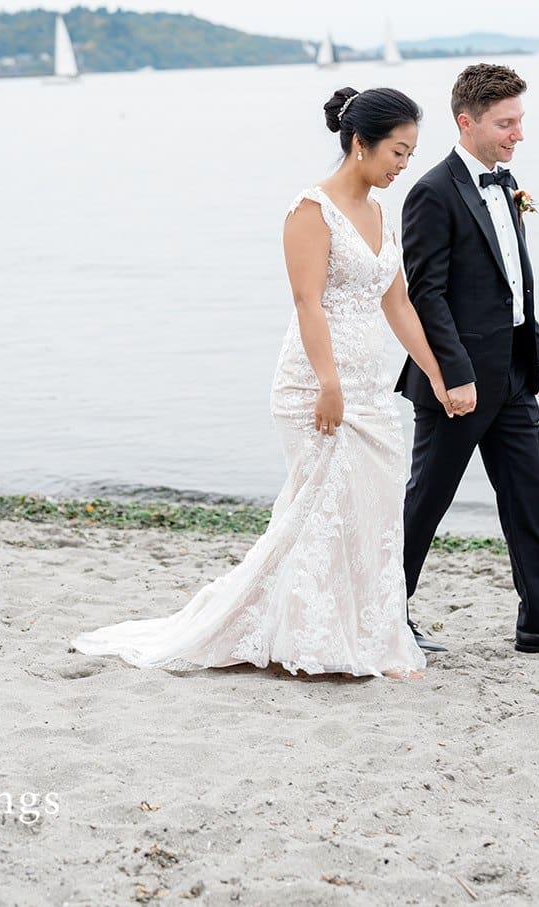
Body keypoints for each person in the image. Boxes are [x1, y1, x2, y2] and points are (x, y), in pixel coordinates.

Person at [71, 86, 458, 679]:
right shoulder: (311, 210)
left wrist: (438, 374)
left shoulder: (380, 212)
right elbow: (307, 304)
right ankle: (315, 640)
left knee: (371, 511)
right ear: (360, 144)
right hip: (315, 384)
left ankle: (365, 636)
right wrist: (329, 383)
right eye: (397, 153)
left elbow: (398, 301)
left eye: (409, 154)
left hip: (372, 386)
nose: (403, 166)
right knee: (321, 508)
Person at [395, 63, 539, 656]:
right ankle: (385, 616)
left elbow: (514, 284)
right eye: (506, 123)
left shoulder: (506, 181)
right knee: (426, 502)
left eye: (520, 121)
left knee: (529, 496)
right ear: (467, 122)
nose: (518, 134)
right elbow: (426, 294)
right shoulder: (431, 193)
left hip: (516, 377)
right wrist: (456, 375)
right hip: (458, 386)